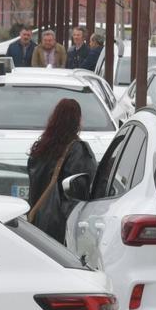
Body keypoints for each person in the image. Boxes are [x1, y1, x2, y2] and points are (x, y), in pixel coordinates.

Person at [25, 98, 98, 244]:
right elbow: (80, 190)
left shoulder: (40, 149)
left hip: (36, 221)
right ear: (77, 121)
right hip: (60, 226)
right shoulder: (78, 151)